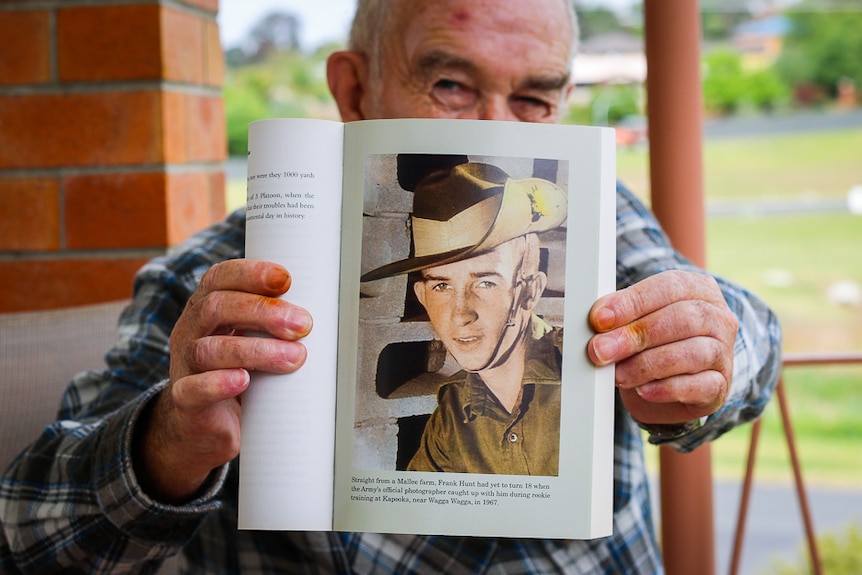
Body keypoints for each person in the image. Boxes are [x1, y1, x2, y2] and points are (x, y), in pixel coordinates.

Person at [0, 0, 782, 573]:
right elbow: (31, 531)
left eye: (536, 100)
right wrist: (165, 444)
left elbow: (753, 341)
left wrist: (711, 349)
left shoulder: (596, 221)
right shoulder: (216, 276)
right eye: (450, 84)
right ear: (354, 92)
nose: (496, 132)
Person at [360, 158, 567, 475]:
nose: (461, 314)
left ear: (530, 291)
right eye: (442, 285)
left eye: (485, 282)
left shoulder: (583, 377)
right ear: (423, 298)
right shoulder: (453, 409)